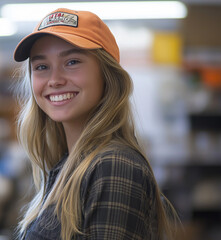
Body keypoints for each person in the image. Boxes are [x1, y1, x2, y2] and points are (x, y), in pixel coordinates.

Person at [13, 8, 179, 240]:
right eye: (41, 67)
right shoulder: (67, 165)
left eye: (72, 62)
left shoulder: (113, 165)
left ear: (107, 75)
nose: (55, 80)